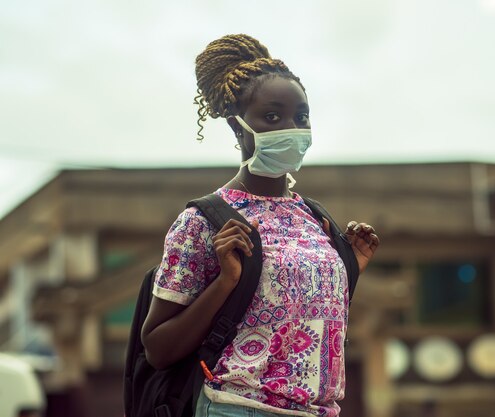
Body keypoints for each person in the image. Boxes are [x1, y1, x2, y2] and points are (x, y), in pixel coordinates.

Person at [140, 34, 379, 417]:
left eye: (301, 116)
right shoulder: (203, 221)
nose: (292, 127)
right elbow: (157, 347)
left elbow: (293, 320)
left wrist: (347, 270)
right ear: (238, 128)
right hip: (240, 407)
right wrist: (224, 282)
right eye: (272, 117)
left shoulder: (315, 219)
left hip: (320, 410)